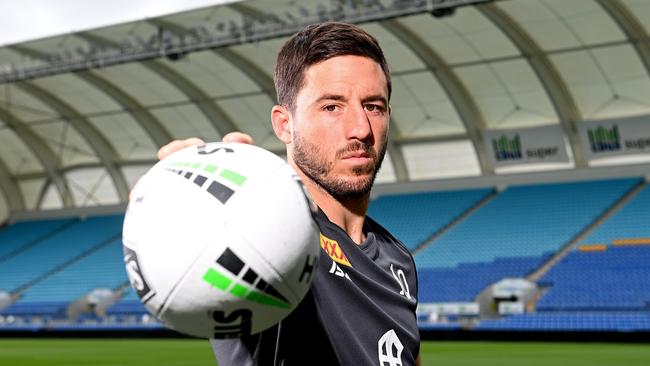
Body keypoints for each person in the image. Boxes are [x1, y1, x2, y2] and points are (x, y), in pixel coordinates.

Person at [158, 22, 420, 366]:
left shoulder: (398, 258)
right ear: (285, 124)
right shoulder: (272, 236)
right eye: (332, 107)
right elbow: (224, 247)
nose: (360, 128)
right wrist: (180, 203)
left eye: (373, 106)